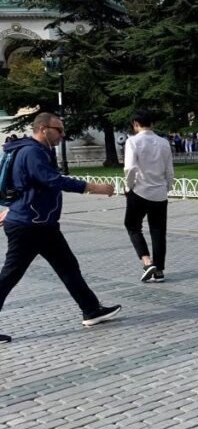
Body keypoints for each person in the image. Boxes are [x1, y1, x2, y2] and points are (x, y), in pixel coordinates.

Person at [0, 113, 121, 342]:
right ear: (44, 129)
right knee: (10, 275)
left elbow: (24, 187)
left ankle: (91, 310)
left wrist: (14, 208)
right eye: (59, 130)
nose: (63, 135)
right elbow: (54, 181)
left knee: (68, 266)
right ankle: (91, 309)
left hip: (39, 223)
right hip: (31, 226)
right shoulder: (32, 152)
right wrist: (94, 187)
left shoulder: (30, 150)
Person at [123, 111, 174, 283]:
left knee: (132, 225)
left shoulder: (133, 141)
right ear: (152, 123)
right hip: (159, 192)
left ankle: (146, 261)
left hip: (140, 191)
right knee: (158, 231)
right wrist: (167, 187)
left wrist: (128, 187)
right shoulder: (164, 142)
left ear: (136, 123)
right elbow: (169, 170)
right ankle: (159, 270)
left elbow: (130, 168)